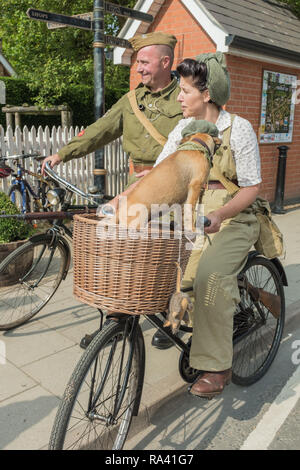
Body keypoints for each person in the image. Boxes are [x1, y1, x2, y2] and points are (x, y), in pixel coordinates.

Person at [41, 31, 183, 349]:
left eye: (144, 62)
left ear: (165, 61)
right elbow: (99, 131)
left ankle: (176, 316)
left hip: (178, 186)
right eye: (137, 63)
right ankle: (116, 320)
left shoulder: (187, 96)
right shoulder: (132, 101)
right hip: (139, 187)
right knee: (117, 245)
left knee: (177, 252)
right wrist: (62, 154)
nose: (138, 69)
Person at [148, 52, 261, 398]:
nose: (178, 97)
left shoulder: (237, 128)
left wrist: (221, 215)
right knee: (159, 262)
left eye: (184, 90)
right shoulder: (182, 130)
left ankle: (217, 365)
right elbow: (161, 173)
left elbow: (253, 188)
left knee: (210, 273)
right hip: (191, 211)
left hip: (233, 215)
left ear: (206, 94)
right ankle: (181, 321)